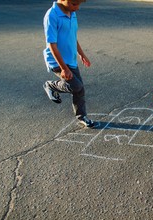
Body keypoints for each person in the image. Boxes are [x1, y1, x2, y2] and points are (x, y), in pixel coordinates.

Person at [42, 0, 95, 128]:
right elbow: (52, 45)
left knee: (79, 89)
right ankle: (50, 85)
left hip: (70, 60)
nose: (77, 8)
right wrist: (64, 68)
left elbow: (72, 36)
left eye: (79, 4)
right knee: (76, 86)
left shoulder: (71, 12)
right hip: (57, 61)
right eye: (74, 4)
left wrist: (81, 54)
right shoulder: (52, 15)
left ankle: (82, 116)